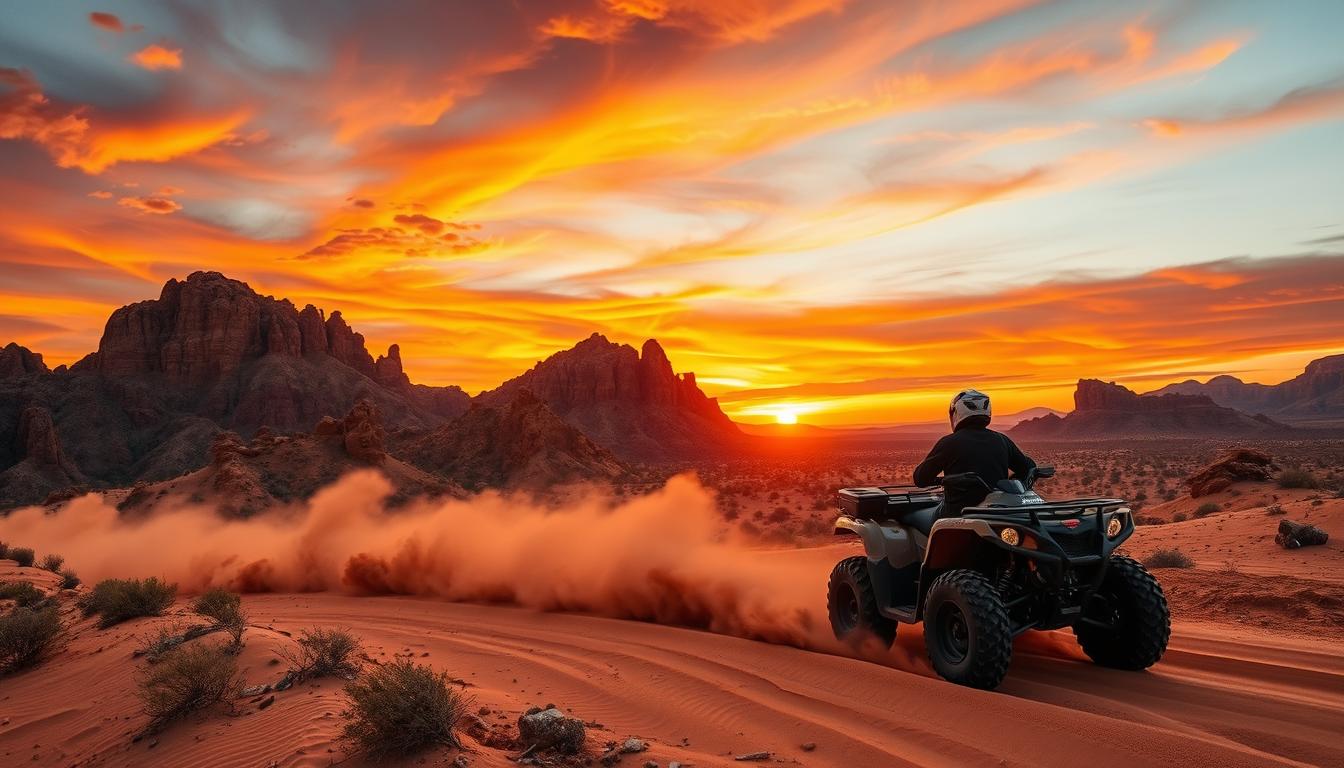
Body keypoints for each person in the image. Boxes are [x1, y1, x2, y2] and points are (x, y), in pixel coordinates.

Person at [913, 389, 1036, 516]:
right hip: (998, 511)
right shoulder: (1002, 440)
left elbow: (920, 478)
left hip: (957, 514)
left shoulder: (949, 442)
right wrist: (1006, 485)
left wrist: (942, 480)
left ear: (956, 413)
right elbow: (1027, 467)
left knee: (920, 519)